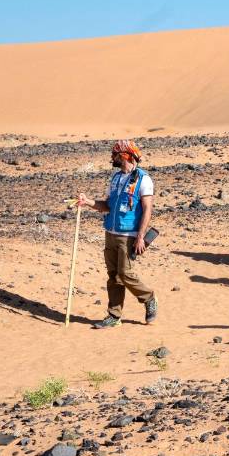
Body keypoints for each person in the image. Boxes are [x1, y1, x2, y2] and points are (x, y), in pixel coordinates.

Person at [75, 140, 157, 328]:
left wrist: (140, 236)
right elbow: (107, 206)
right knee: (113, 276)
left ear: (125, 156)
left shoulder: (143, 179)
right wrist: (87, 202)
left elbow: (147, 209)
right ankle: (114, 316)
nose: (112, 157)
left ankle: (149, 297)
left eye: (115, 154)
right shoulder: (115, 178)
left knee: (125, 273)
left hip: (129, 235)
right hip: (110, 233)